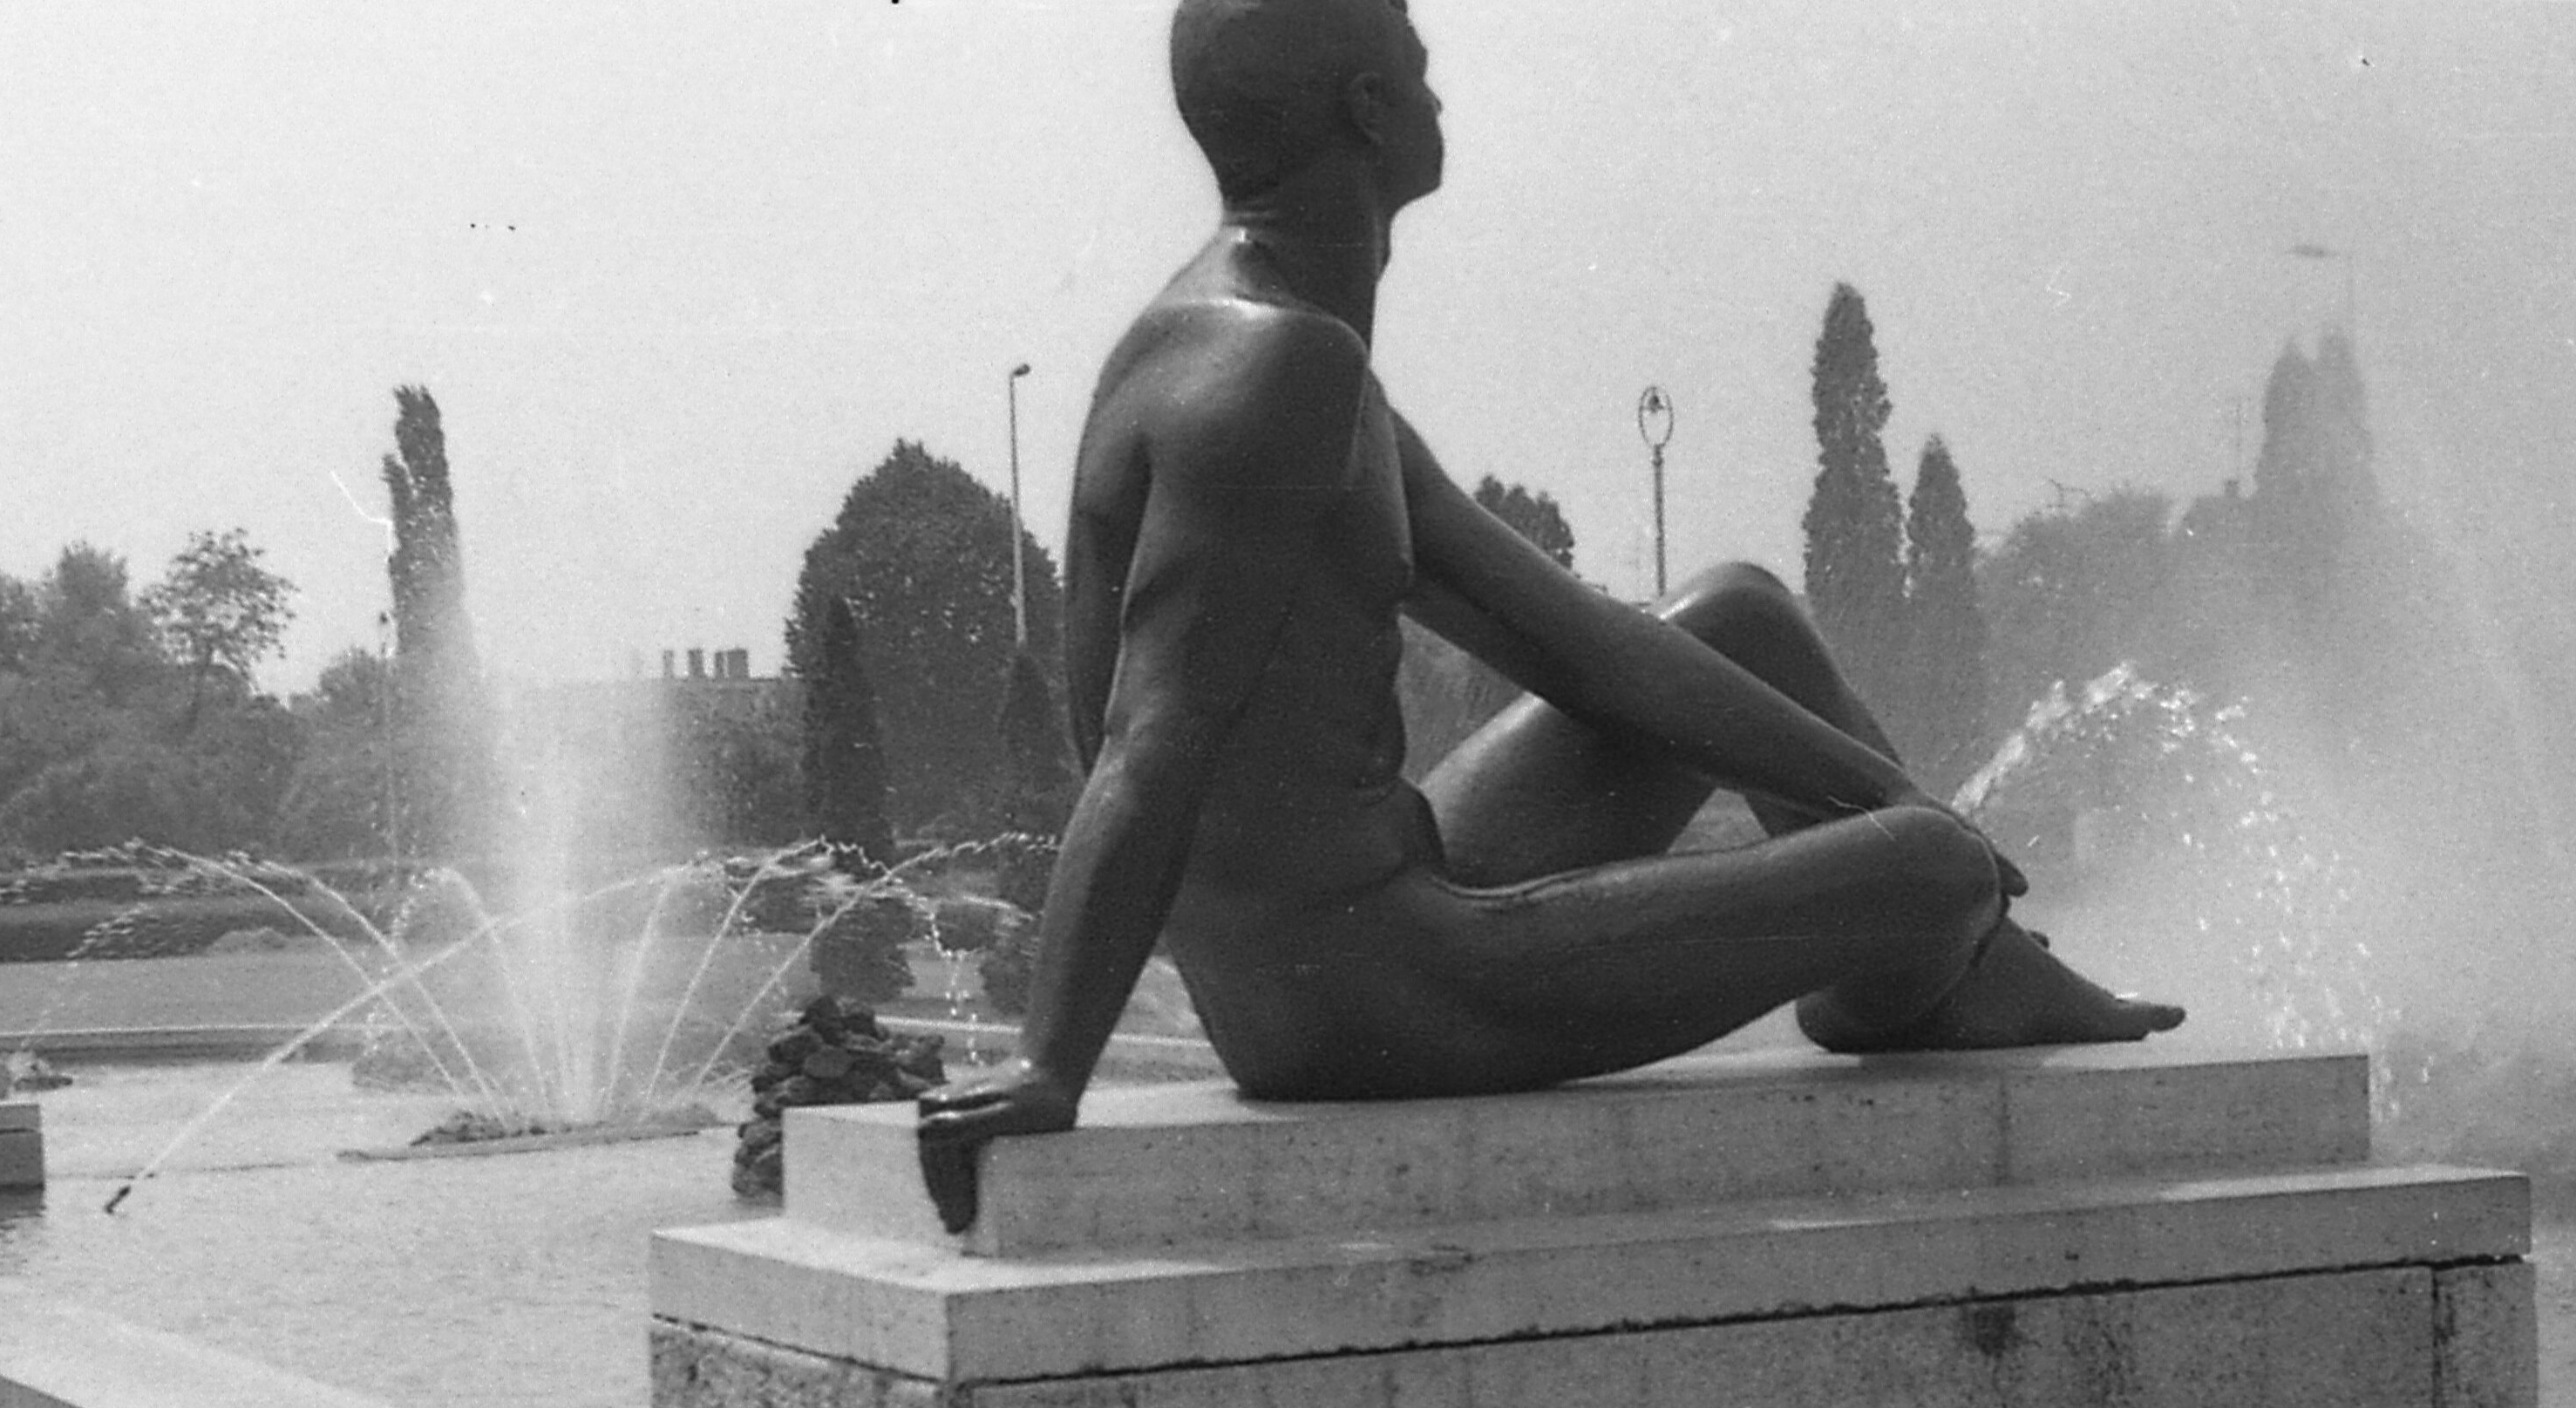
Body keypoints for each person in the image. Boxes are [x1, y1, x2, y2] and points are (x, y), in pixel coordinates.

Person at [914, 0, 2177, 1229]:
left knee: (1739, 617)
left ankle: (1977, 965)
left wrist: (1885, 790)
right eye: (1419, 64)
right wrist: (1048, 1066)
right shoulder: (1274, 371)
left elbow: (1580, 643)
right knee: (1931, 873)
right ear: (1370, 108)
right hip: (1368, 1001)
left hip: (1376, 916)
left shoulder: (1280, 345)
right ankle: (1913, 971)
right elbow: (1153, 737)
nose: (1438, 92)